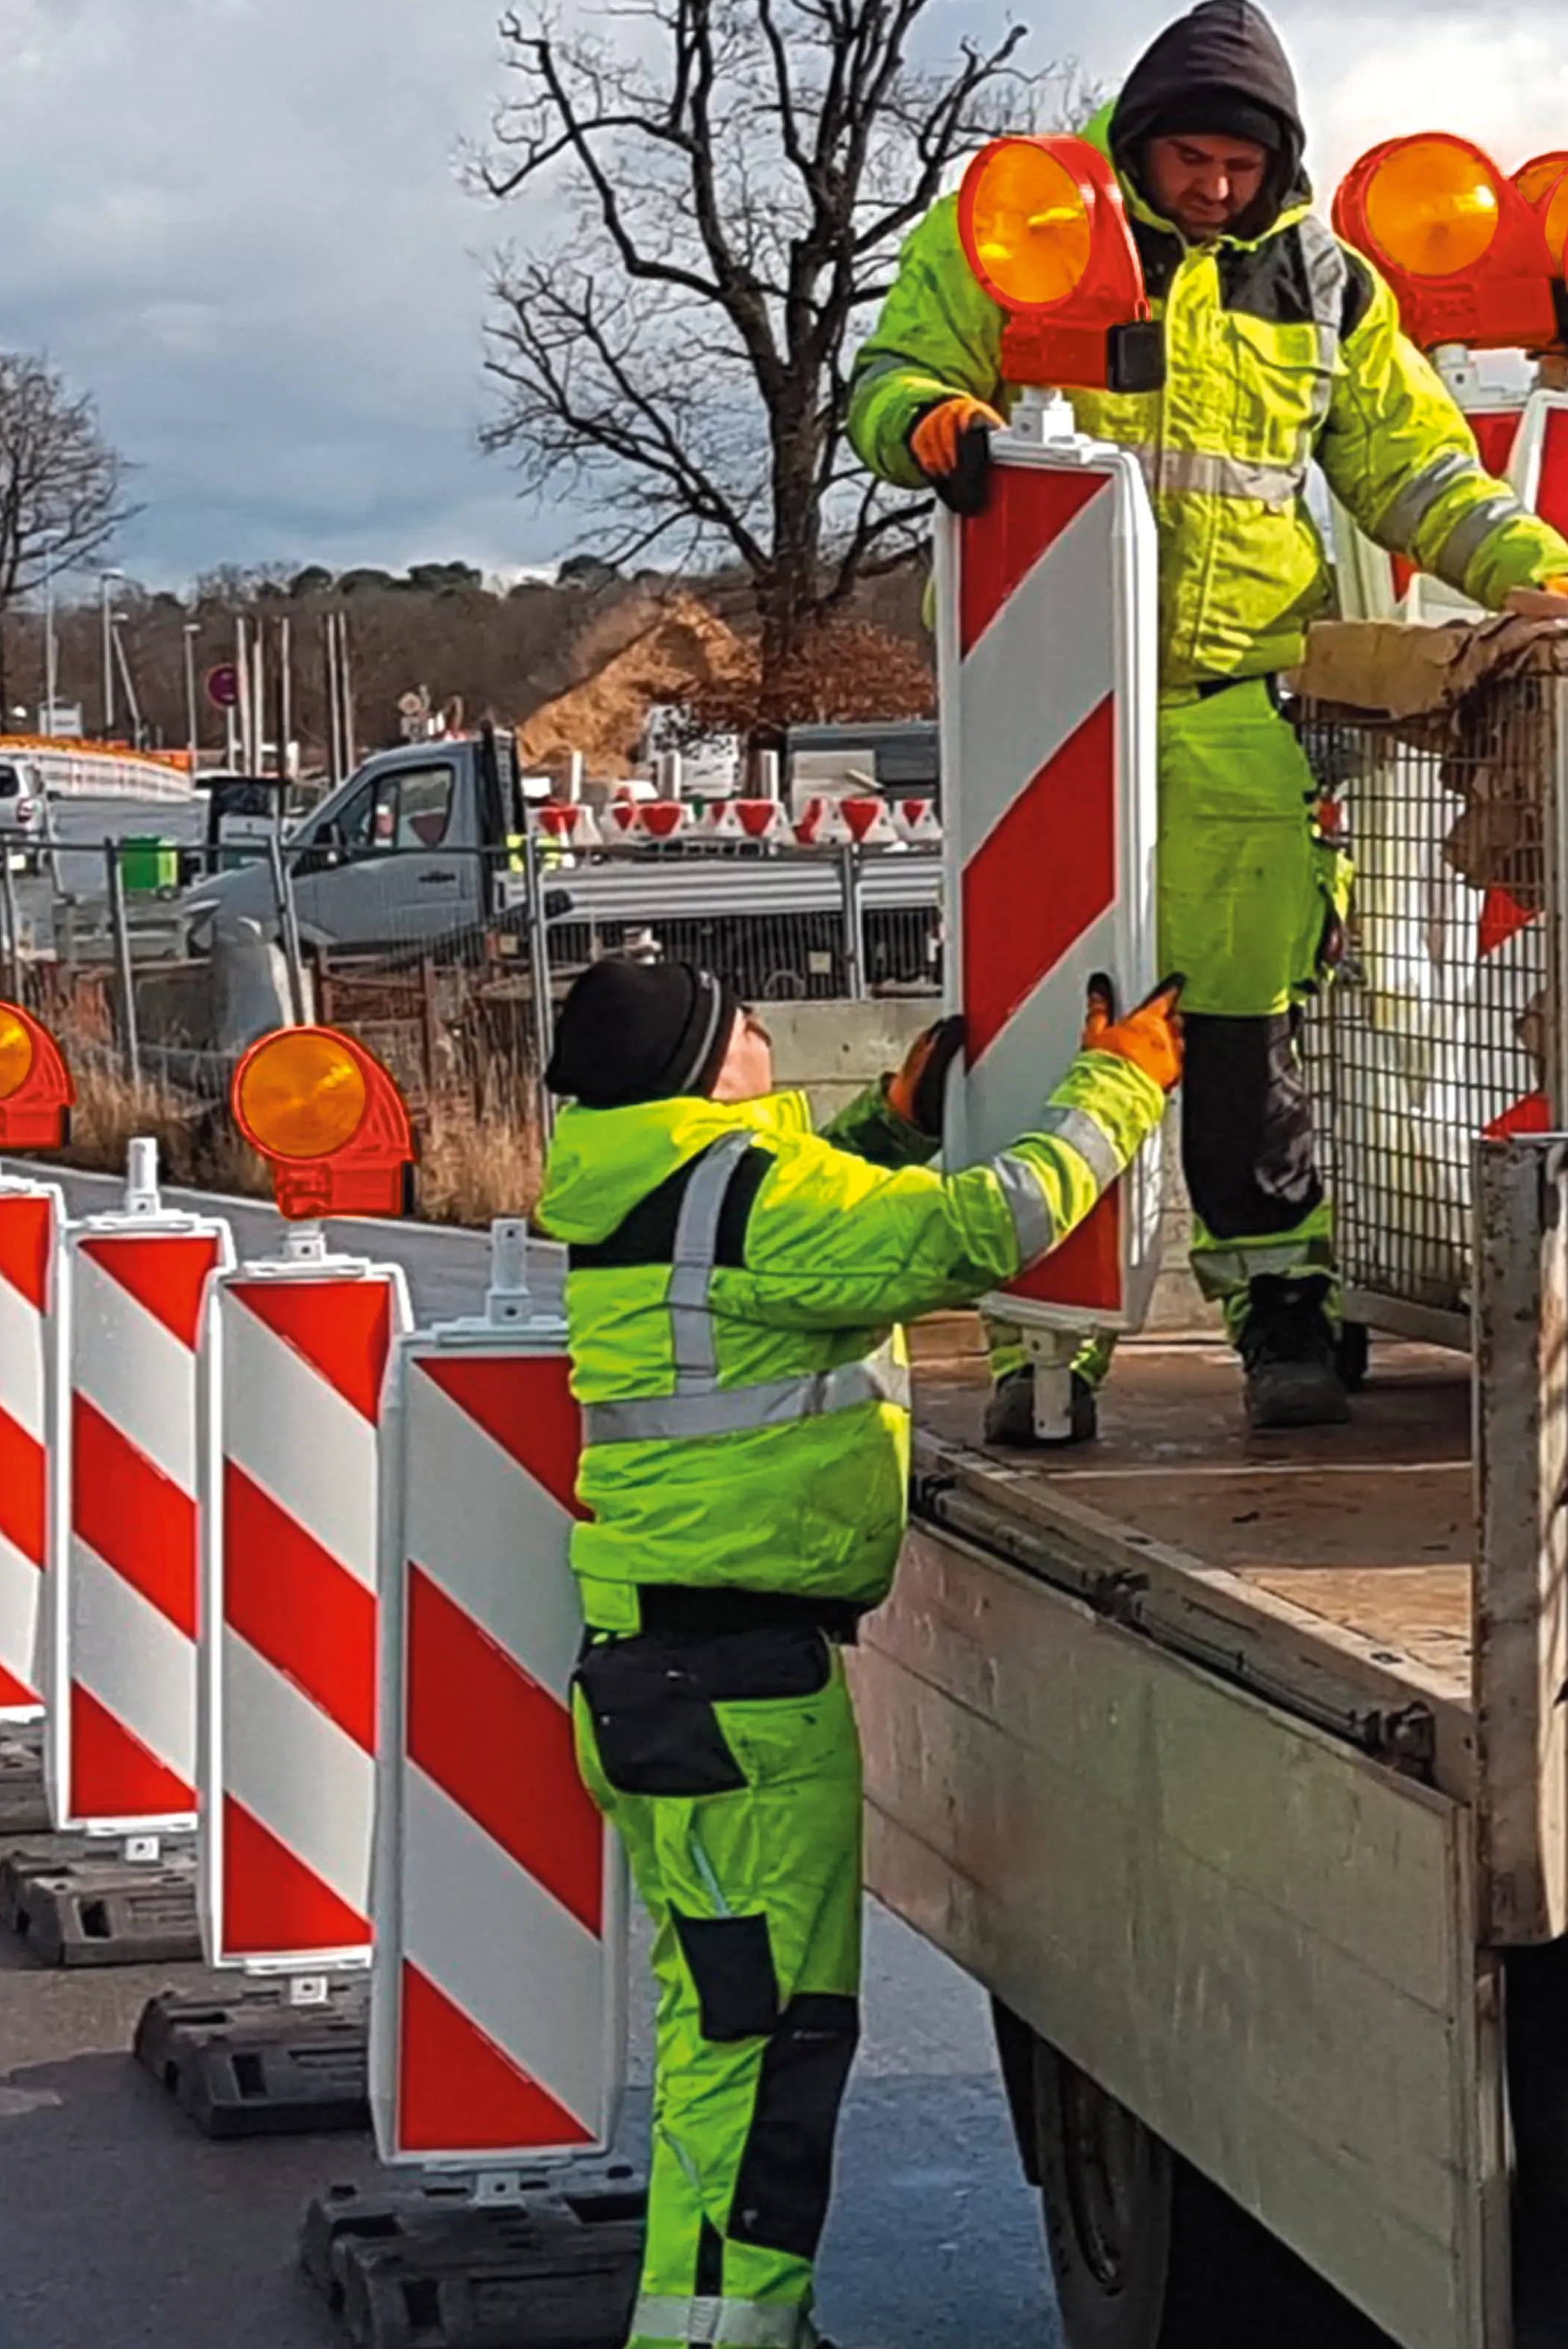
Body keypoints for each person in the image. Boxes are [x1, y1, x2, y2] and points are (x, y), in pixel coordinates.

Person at [848, 0, 1568, 1438]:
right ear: (1138, 145)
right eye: (1188, 160)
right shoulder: (1032, 226)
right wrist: (930, 427)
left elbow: (1413, 466)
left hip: (1225, 701)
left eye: (1235, 168)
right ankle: (1040, 1338)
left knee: (1249, 1020)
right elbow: (890, 381)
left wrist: (1529, 570)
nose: (1209, 188)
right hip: (1047, 695)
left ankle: (1276, 1304)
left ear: (1279, 165)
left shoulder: (1322, 283)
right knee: (1045, 1021)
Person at [534, 953, 1181, 2349]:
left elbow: (794, 1232)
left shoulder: (656, 1178)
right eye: (748, 1026)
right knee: (764, 2042)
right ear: (707, 1070)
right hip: (733, 1690)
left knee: (729, 2034)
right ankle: (724, 2336)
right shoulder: (750, 1195)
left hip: (671, 1676)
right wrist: (1121, 1080)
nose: (766, 1037)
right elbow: (984, 1225)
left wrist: (882, 1130)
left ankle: (722, 2324)